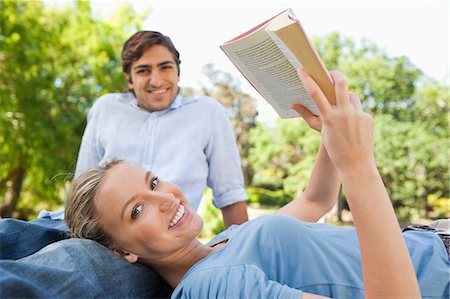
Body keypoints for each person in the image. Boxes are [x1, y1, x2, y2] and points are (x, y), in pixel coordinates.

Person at [65, 69, 449, 299]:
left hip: (433, 239)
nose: (164, 198)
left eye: (153, 181)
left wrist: (329, 131)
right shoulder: (212, 287)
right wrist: (359, 165)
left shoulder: (220, 243)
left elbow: (316, 200)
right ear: (122, 252)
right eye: (136, 210)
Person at [74, 30, 248, 226]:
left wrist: (240, 252)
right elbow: (81, 190)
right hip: (104, 242)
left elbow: (231, 195)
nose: (156, 81)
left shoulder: (208, 113)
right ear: (129, 79)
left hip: (169, 243)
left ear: (178, 73)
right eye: (143, 70)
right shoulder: (106, 108)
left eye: (165, 67)